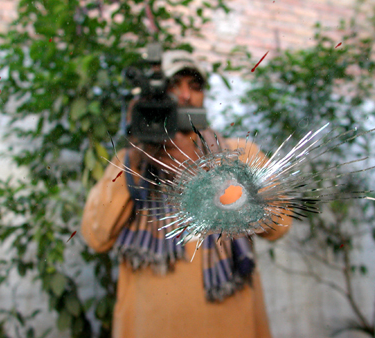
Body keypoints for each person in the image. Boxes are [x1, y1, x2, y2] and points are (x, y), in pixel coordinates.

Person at [81, 50, 292, 338]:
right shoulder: (128, 163)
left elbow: (280, 224)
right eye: (172, 85)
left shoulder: (239, 154)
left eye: (195, 86)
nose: (184, 96)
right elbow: (96, 237)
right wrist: (137, 157)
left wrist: (215, 170)